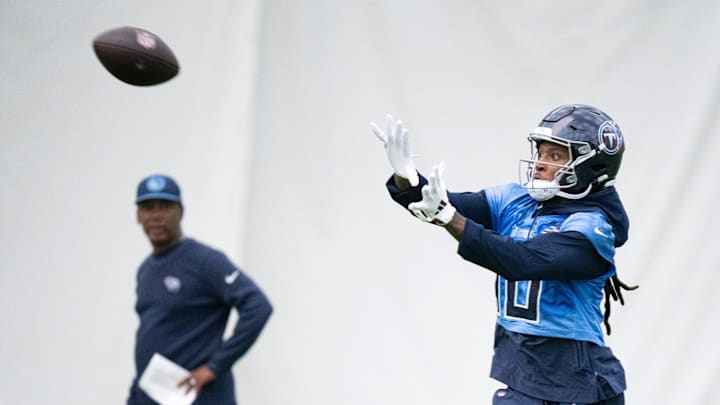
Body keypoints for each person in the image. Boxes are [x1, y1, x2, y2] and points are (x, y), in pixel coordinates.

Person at [372, 105, 637, 404]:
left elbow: (523, 261)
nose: (539, 163)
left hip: (576, 383)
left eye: (555, 156)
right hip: (523, 373)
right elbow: (442, 203)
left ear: (592, 166)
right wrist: (407, 179)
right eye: (541, 153)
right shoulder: (516, 201)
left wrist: (449, 218)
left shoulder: (592, 226)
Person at [127, 174, 273, 405]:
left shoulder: (204, 261)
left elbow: (258, 306)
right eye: (147, 208)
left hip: (201, 397)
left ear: (181, 212)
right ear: (138, 216)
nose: (155, 216)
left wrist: (214, 367)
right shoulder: (146, 270)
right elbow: (151, 336)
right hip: (153, 396)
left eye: (165, 207)